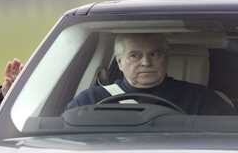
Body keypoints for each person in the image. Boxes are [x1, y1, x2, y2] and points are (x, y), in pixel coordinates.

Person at [67, 33, 236, 115]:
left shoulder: (202, 100)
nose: (146, 63)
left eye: (154, 54)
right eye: (134, 55)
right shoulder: (89, 101)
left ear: (166, 58)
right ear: (119, 62)